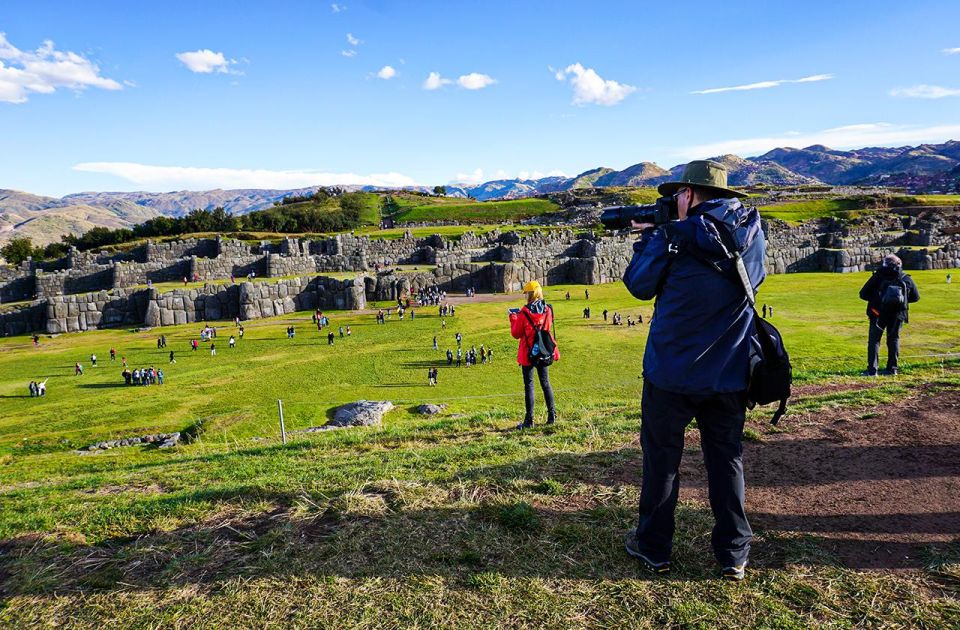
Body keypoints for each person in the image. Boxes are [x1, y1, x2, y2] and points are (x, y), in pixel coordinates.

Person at [621, 160, 766, 580]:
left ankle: (653, 546)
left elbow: (638, 285)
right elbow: (751, 281)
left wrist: (649, 241)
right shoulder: (753, 233)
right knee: (727, 462)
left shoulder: (672, 236)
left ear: (688, 195)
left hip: (671, 372)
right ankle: (733, 552)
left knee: (662, 461)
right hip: (729, 371)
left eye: (675, 195)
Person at [858, 253, 920, 376]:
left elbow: (863, 294)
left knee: (874, 341)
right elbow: (916, 297)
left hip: (878, 313)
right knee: (893, 340)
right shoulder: (905, 278)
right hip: (898, 315)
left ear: (885, 264)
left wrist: (877, 299)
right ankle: (892, 369)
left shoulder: (878, 276)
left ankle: (872, 370)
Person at [509, 280, 559, 430]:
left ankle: (529, 420)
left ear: (530, 294)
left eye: (527, 293)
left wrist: (513, 318)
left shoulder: (524, 312)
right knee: (546, 383)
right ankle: (552, 416)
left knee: (529, 386)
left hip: (528, 353)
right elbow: (548, 326)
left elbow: (516, 333)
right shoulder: (548, 309)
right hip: (543, 351)